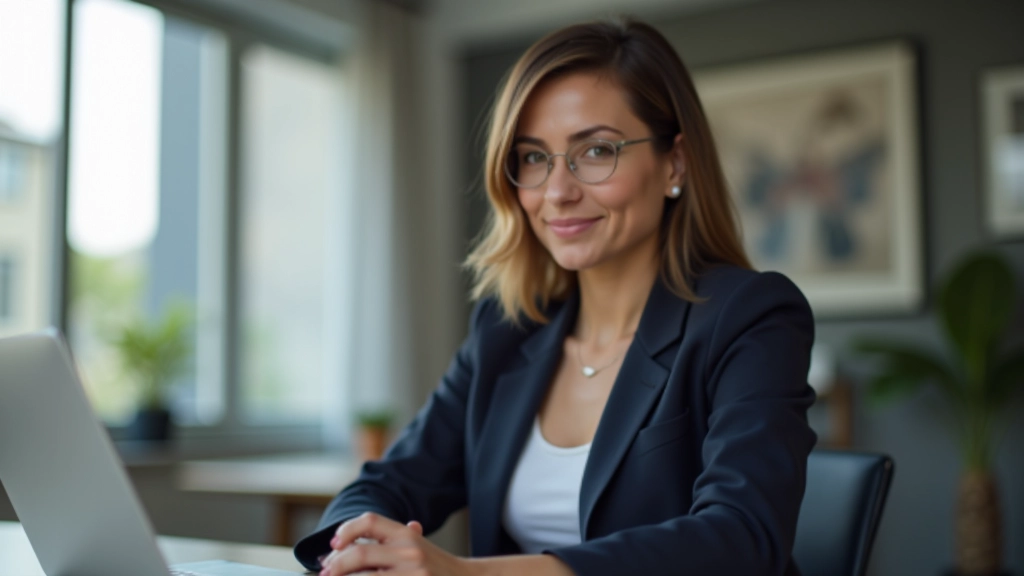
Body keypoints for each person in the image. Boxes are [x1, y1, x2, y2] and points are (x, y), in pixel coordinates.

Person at [296, 16, 817, 576]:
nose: (558, 191)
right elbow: (387, 483)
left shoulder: (750, 315)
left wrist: (468, 575)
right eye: (533, 157)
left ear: (675, 162)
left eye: (596, 152)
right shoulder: (506, 327)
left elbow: (741, 538)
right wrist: (358, 548)